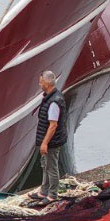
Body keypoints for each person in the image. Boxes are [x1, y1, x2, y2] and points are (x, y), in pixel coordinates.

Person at [33, 70, 67, 202]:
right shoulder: (51, 97)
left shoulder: (54, 102)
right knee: (45, 165)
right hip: (49, 139)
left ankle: (52, 195)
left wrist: (45, 143)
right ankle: (43, 191)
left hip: (52, 141)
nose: (39, 84)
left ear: (47, 83)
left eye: (41, 81)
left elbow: (53, 125)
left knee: (51, 167)